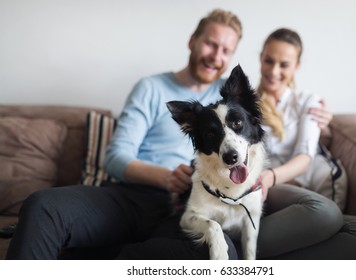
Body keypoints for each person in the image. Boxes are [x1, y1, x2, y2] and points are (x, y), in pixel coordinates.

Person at [5, 10, 334, 260]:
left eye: (225, 50)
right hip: (131, 197)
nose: (215, 56)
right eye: (210, 43)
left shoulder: (232, 107)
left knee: (220, 258)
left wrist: (324, 120)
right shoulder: (151, 88)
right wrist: (165, 177)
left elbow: (270, 120)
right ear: (192, 41)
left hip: (190, 210)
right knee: (43, 205)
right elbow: (116, 156)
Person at [254, 28, 356, 259]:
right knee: (324, 213)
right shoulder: (244, 104)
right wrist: (267, 180)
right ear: (261, 59)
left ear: (296, 66)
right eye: (269, 61)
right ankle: (243, 249)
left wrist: (272, 176)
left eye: (284, 64)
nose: (274, 71)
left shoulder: (308, 101)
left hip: (293, 191)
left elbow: (305, 157)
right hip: (266, 193)